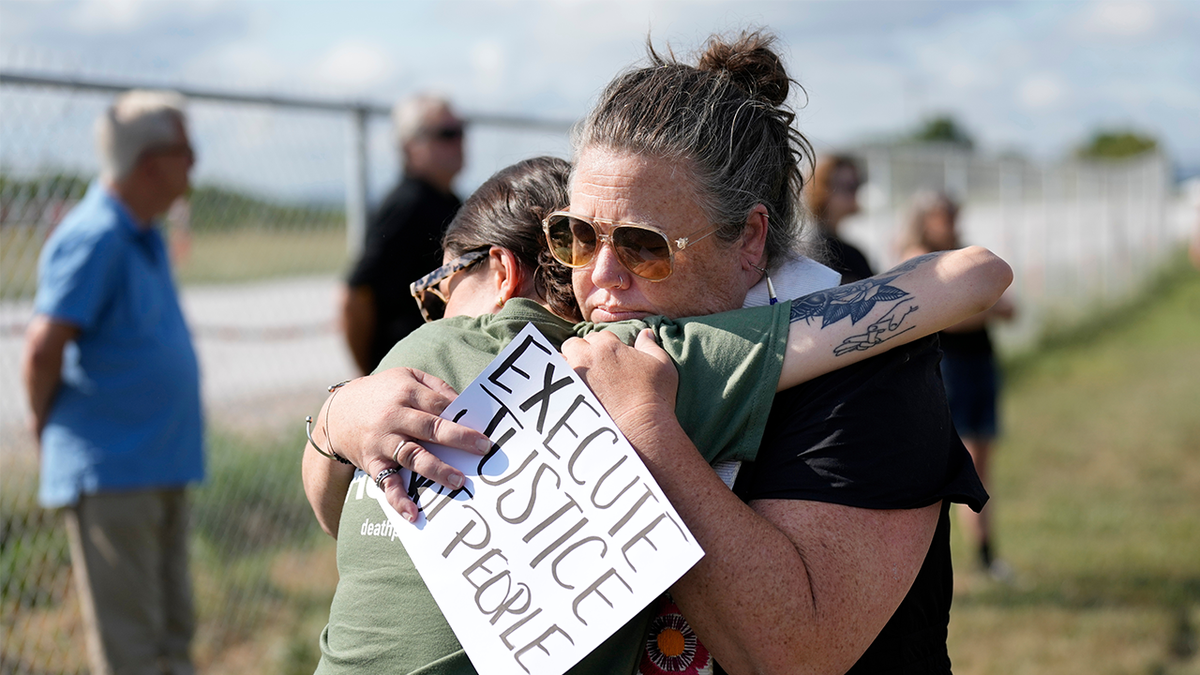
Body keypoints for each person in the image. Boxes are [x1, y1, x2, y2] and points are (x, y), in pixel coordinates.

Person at [316, 30, 997, 674]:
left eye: (643, 245)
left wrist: (648, 431)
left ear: (751, 241)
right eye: (576, 237)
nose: (600, 278)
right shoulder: (579, 351)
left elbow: (791, 655)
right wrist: (341, 416)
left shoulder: (867, 373)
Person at [21, 90, 203, 675]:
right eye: (184, 149)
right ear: (151, 164)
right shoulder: (94, 235)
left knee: (173, 635)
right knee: (133, 649)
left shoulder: (143, 231)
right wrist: (43, 424)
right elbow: (43, 347)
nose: (195, 161)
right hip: (113, 470)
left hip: (156, 461)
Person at [901, 190, 1016, 579]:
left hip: (980, 364)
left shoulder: (961, 254)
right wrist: (980, 305)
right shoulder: (916, 257)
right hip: (947, 370)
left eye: (952, 214)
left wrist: (970, 305)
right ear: (924, 218)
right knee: (950, 469)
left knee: (982, 466)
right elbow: (943, 319)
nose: (949, 221)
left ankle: (986, 554)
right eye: (942, 214)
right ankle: (940, 565)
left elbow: (1009, 307)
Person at [341, 93, 465, 374]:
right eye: (447, 133)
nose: (459, 141)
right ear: (411, 147)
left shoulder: (448, 201)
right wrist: (370, 375)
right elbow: (355, 297)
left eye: (461, 130)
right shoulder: (406, 206)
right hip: (406, 371)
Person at [807, 153, 875, 283]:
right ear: (823, 191)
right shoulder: (825, 253)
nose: (855, 192)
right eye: (849, 186)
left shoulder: (840, 250)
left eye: (857, 184)